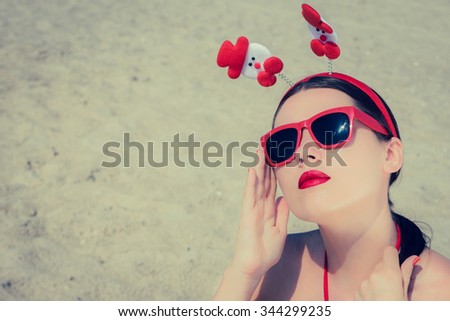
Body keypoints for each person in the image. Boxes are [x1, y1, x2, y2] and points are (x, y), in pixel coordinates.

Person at [213, 72, 450, 300]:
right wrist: (242, 274)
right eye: (283, 144)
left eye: (331, 130)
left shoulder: (440, 292)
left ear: (390, 155)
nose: (304, 154)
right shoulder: (270, 270)